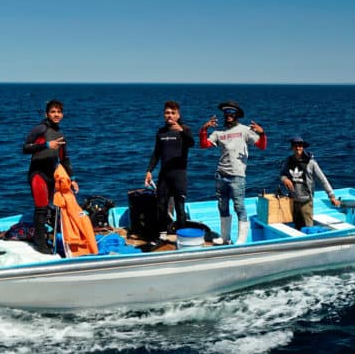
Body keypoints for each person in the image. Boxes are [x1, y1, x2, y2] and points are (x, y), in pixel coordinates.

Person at [199, 100, 267, 245]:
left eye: (231, 112)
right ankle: (225, 238)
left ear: (237, 115)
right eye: (226, 112)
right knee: (222, 206)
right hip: (221, 175)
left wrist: (262, 133)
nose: (228, 115)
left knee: (239, 207)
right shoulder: (219, 132)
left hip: (237, 176)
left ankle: (241, 240)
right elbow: (204, 145)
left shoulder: (244, 130)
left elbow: (261, 146)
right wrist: (204, 129)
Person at [23, 99, 78, 253]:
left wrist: (72, 179)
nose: (56, 114)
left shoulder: (60, 134)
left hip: (51, 175)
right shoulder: (40, 129)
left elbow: (64, 159)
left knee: (50, 207)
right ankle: (40, 244)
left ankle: (46, 237)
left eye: (59, 112)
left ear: (63, 114)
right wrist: (46, 145)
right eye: (53, 111)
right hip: (38, 173)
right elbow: (25, 148)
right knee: (40, 208)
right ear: (46, 114)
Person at [144, 100, 195, 234]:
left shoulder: (185, 129)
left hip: (179, 174)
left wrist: (181, 131)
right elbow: (156, 153)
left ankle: (182, 234)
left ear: (178, 115)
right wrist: (149, 171)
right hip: (164, 175)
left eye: (173, 113)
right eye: (167, 113)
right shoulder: (161, 132)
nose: (170, 115)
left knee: (179, 206)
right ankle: (162, 234)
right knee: (161, 205)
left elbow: (191, 143)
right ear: (163, 115)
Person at [280, 136, 340, 230]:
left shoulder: (311, 163)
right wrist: (285, 179)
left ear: (303, 147)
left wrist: (331, 196)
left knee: (309, 228)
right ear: (292, 148)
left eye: (300, 145)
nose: (298, 148)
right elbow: (282, 174)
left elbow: (322, 180)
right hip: (293, 201)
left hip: (306, 202)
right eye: (295, 146)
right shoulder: (289, 161)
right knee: (296, 228)